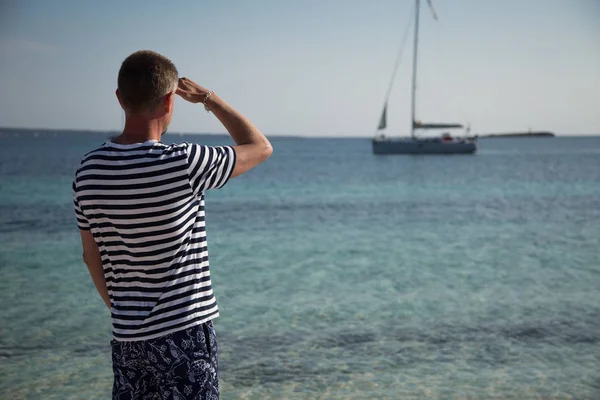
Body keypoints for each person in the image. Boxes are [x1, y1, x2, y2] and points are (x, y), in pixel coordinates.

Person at [72, 50, 272, 399]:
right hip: (185, 334)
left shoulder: (88, 171)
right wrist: (209, 99)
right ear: (170, 102)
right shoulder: (184, 162)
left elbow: (91, 257)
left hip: (128, 340)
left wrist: (126, 312)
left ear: (119, 99)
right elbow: (259, 146)